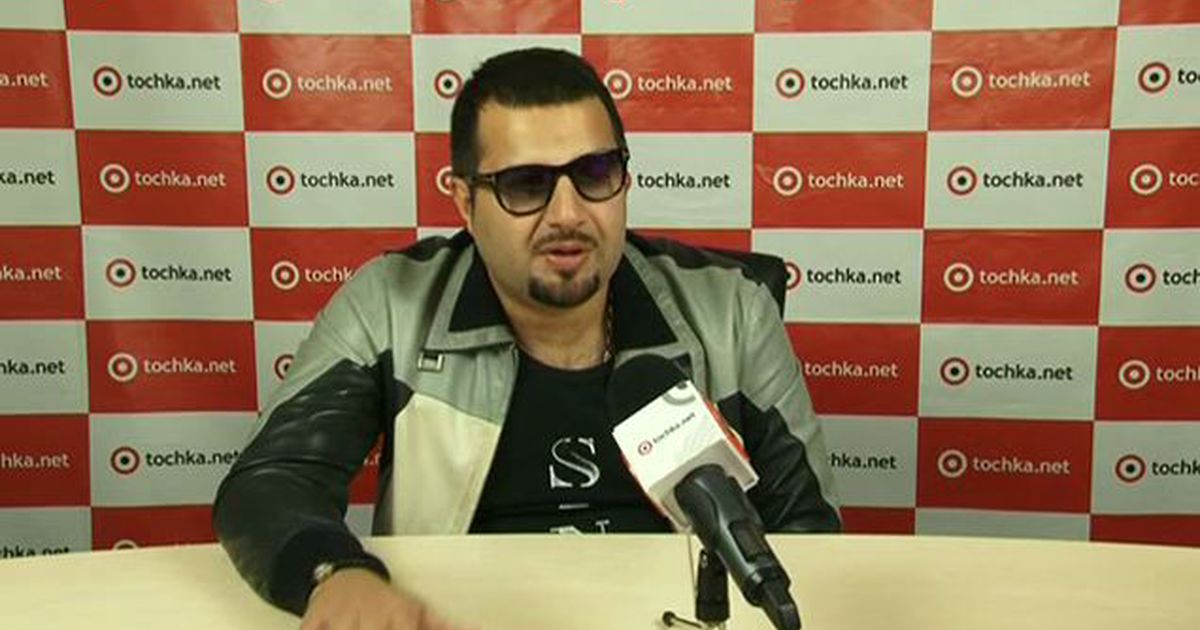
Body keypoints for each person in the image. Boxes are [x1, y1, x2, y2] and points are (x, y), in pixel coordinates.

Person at [213, 47, 840, 630]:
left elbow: (808, 531)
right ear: (465, 202)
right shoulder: (391, 306)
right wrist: (334, 573)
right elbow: (272, 482)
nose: (568, 214)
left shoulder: (731, 309)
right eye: (525, 185)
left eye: (595, 173)